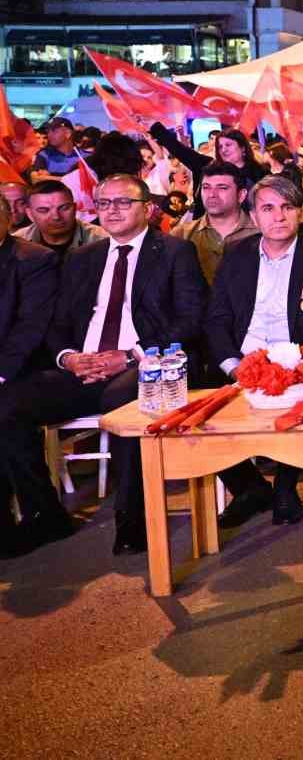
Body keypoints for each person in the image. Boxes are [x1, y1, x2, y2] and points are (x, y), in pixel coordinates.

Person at [0, 174, 205, 556]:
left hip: (145, 365)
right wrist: (70, 358)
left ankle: (132, 518)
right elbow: (57, 323)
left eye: (122, 202)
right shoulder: (84, 258)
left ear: (147, 208)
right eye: (104, 202)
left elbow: (190, 319)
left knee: (122, 398)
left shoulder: (175, 251)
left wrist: (129, 354)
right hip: (84, 366)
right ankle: (45, 514)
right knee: (8, 402)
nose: (112, 210)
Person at [205, 175, 303, 528]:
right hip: (243, 359)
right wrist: (233, 365)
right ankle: (248, 488)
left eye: (288, 207)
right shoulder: (237, 255)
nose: (278, 217)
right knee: (197, 387)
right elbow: (217, 318)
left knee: (300, 392)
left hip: (298, 359)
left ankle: (286, 486)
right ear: (253, 216)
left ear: (302, 214)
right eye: (268, 208)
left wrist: (289, 366)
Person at [0, 202, 61, 557]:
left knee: (5, 412)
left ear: (8, 220)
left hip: (26, 368)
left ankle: (44, 512)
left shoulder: (34, 260)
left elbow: (31, 330)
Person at [174, 161, 259, 284]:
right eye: (206, 187)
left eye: (222, 188)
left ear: (241, 195)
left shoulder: (260, 234)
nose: (212, 195)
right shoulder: (181, 235)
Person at [15, 179, 106, 262]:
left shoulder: (103, 241)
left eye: (64, 208)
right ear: (30, 214)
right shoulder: (15, 244)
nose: (56, 217)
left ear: (74, 209)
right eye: (44, 210)